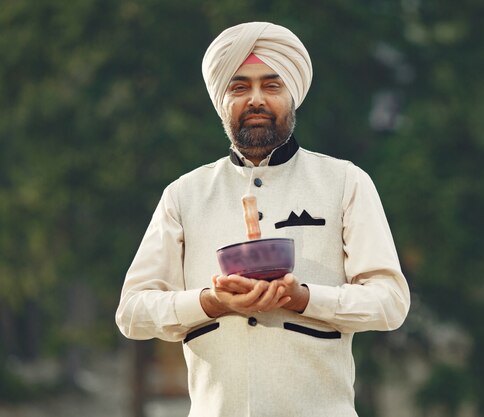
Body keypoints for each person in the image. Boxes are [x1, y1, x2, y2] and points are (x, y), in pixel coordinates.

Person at [115, 21, 410, 417]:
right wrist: (209, 303)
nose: (256, 99)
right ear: (222, 99)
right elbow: (132, 312)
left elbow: (390, 302)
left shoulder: (345, 182)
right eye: (240, 87)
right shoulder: (184, 194)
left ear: (293, 95)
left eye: (271, 86)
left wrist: (305, 299)